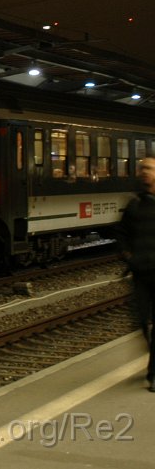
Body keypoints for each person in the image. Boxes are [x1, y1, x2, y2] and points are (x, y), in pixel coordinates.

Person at [119, 156, 155, 391]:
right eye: (143, 168)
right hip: (141, 274)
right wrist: (127, 256)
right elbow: (121, 234)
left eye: (150, 169)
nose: (145, 173)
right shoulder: (134, 205)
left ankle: (153, 374)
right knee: (143, 323)